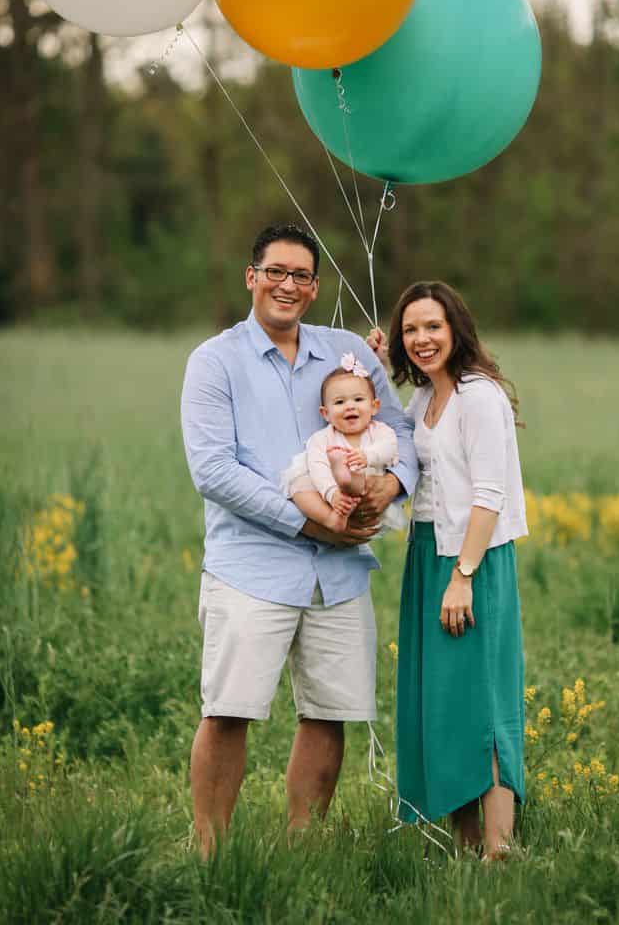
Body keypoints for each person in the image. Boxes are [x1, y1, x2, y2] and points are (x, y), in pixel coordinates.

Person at [180, 223, 416, 858]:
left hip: (339, 572)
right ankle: (211, 854)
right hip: (250, 566)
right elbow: (213, 470)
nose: (288, 285)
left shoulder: (347, 353)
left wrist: (389, 487)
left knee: (328, 711)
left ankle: (301, 851)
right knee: (229, 709)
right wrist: (308, 521)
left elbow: (401, 433)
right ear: (251, 277)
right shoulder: (214, 361)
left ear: (315, 288)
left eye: (301, 276)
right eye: (275, 272)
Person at [368, 281, 528, 860]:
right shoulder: (424, 400)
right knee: (445, 700)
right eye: (411, 330)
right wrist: (374, 367)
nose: (422, 339)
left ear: (456, 328)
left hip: (471, 560)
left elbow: (488, 495)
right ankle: (465, 847)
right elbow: (396, 440)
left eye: (432, 326)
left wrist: (462, 575)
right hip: (429, 557)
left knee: (481, 699)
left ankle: (499, 850)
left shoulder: (477, 395)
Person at [281, 355, 406, 535]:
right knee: (298, 487)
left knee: (358, 473)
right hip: (330, 497)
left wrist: (368, 456)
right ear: (326, 413)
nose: (349, 406)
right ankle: (331, 519)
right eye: (339, 402)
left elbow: (390, 447)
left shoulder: (380, 431)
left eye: (358, 400)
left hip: (366, 493)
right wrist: (332, 493)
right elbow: (318, 468)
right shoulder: (322, 439)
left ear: (374, 406)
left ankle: (347, 479)